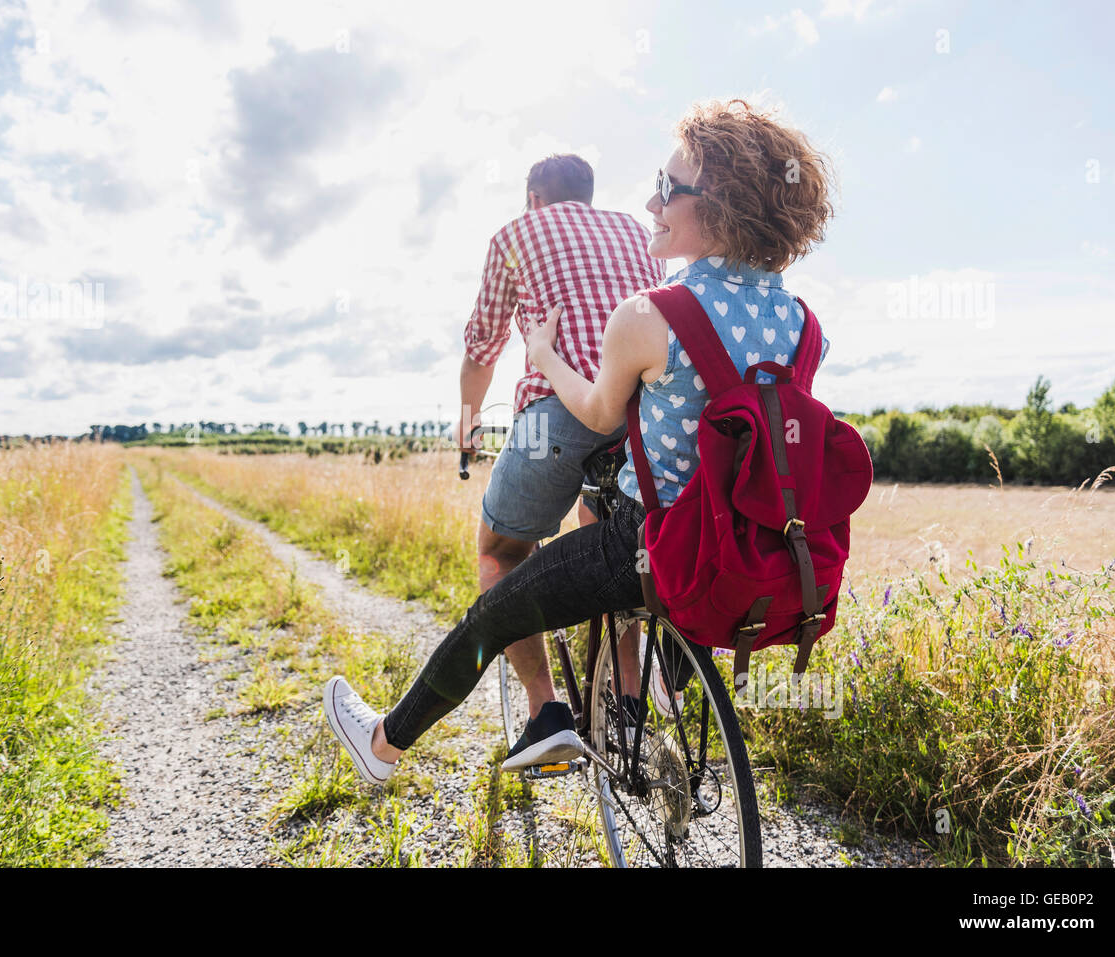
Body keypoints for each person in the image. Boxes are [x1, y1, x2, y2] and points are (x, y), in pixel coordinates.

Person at [325, 99, 834, 786]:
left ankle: (391, 742)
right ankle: (628, 702)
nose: (652, 201)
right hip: (740, 544)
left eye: (668, 188)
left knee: (494, 601)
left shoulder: (651, 314)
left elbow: (596, 412)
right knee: (602, 549)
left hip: (647, 538)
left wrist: (541, 351)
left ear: (717, 207)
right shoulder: (805, 324)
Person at [457, 153, 664, 769]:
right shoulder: (636, 230)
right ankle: (629, 705)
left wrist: (468, 427)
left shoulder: (516, 234)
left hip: (558, 414)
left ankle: (546, 714)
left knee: (501, 552)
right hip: (643, 415)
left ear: (534, 198)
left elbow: (481, 348)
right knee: (613, 550)